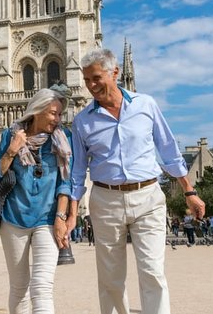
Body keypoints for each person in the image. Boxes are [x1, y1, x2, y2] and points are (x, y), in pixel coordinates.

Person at [69, 48, 205, 314]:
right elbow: (77, 172)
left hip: (148, 197)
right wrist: (72, 212)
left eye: (96, 78)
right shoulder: (82, 121)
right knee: (110, 279)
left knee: (152, 271)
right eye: (86, 80)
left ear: (115, 72)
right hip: (105, 199)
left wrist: (190, 192)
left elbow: (168, 151)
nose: (91, 85)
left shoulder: (146, 105)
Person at [0, 87, 74, 314]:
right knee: (19, 288)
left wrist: (60, 217)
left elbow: (65, 183)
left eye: (59, 114)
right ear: (37, 110)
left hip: (47, 219)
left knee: (42, 287)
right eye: (53, 113)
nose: (58, 119)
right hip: (13, 219)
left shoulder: (63, 139)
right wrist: (11, 151)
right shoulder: (11, 135)